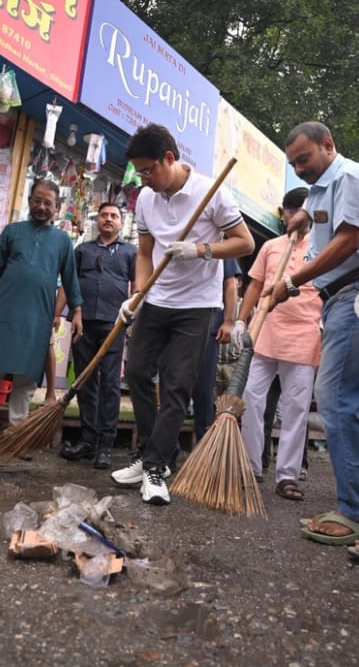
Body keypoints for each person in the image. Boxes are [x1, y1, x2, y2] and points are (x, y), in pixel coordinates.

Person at [111, 123, 254, 506]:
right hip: (156, 301)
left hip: (197, 307)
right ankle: (149, 454)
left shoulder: (211, 192)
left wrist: (201, 250)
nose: (143, 178)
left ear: (169, 159)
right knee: (138, 373)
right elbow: (144, 254)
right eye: (138, 172)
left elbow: (245, 242)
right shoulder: (145, 198)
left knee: (176, 386)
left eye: (147, 170)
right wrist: (137, 295)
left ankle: (156, 466)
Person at [267, 121, 359, 545]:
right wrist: (306, 212)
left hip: (352, 292)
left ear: (328, 145)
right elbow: (325, 214)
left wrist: (293, 280)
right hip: (339, 300)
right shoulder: (325, 189)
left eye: (304, 159)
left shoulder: (350, 176)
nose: (299, 169)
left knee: (337, 400)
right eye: (293, 165)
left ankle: (352, 511)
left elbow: (349, 238)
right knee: (347, 402)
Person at [0, 179, 84, 454]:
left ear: (57, 208)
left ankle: (17, 435)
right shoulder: (12, 232)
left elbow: (71, 280)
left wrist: (77, 312)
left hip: (37, 318)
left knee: (25, 380)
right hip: (3, 312)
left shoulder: (63, 241)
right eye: (37, 200)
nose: (41, 206)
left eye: (47, 202)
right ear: (29, 201)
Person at [233, 188, 318, 499]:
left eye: (300, 210)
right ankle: (252, 467)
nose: (294, 215)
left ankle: (287, 476)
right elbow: (254, 285)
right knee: (252, 399)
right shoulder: (270, 246)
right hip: (264, 332)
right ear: (284, 213)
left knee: (295, 408)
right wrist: (241, 320)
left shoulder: (321, 248)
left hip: (305, 336)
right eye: (289, 209)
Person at [60, 202, 136, 469]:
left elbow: (137, 287)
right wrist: (73, 314)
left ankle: (106, 444)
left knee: (110, 385)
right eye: (104, 215)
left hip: (115, 324)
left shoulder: (130, 252)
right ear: (98, 220)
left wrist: (132, 319)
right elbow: (72, 284)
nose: (108, 219)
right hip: (84, 324)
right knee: (86, 382)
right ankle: (88, 439)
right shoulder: (83, 250)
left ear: (120, 222)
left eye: (114, 216)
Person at [189, 258, 240, 440]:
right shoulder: (176, 240)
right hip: (176, 314)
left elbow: (230, 284)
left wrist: (228, 321)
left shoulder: (222, 246)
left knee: (204, 388)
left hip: (208, 319)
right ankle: (167, 452)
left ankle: (204, 443)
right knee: (172, 385)